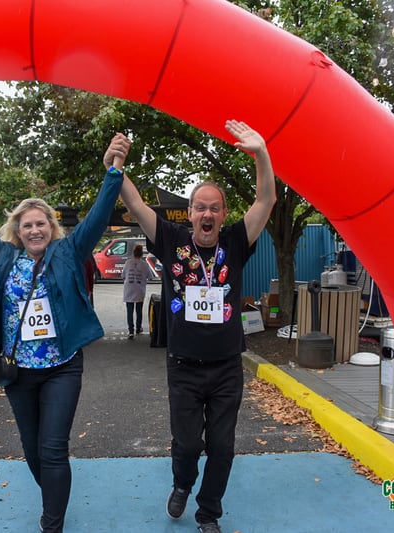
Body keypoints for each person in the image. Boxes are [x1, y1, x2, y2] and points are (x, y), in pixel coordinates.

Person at [0, 133, 128, 533]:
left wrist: (114, 171)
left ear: (51, 228)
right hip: (19, 371)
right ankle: (54, 496)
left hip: (62, 367)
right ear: (17, 231)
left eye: (41, 224)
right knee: (34, 452)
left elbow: (99, 216)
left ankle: (52, 524)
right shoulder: (2, 256)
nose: (35, 230)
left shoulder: (70, 252)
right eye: (27, 225)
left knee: (53, 449)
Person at [118, 120, 276, 533]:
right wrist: (116, 165)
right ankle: (182, 483)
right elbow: (134, 205)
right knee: (188, 443)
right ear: (189, 214)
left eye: (214, 208)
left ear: (223, 215)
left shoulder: (237, 242)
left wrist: (261, 153)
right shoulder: (170, 238)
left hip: (226, 366)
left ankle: (209, 512)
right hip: (184, 366)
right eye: (199, 207)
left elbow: (267, 198)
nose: (207, 213)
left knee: (222, 447)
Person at [122, 243, 152, 339]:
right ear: (141, 254)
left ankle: (131, 331)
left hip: (129, 289)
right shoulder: (144, 264)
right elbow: (150, 277)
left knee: (129, 311)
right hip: (140, 289)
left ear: (133, 253)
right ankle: (138, 328)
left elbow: (123, 276)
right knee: (139, 310)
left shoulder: (128, 263)